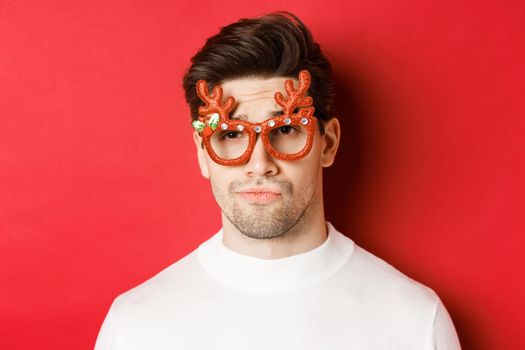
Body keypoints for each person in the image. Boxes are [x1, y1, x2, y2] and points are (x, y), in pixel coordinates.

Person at [94, 11, 461, 350]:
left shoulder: (414, 321)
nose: (259, 164)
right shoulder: (136, 327)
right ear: (203, 152)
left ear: (328, 143)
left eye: (285, 129)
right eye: (232, 135)